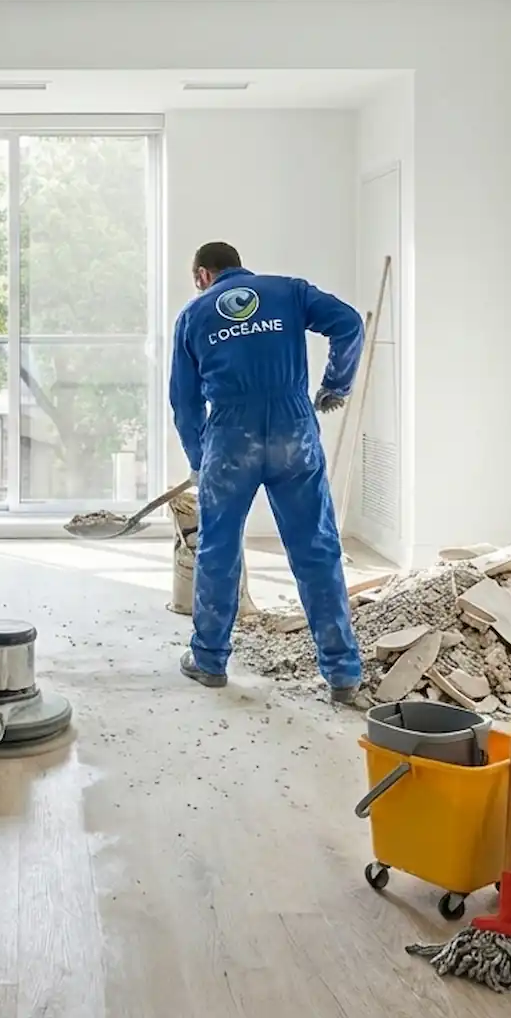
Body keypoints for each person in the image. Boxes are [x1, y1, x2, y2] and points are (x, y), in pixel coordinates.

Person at [168, 241, 366, 703]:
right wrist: (336, 384)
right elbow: (349, 323)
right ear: (240, 266)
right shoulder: (287, 292)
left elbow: (185, 401)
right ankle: (342, 673)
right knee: (316, 547)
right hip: (293, 431)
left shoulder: (194, 317)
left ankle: (210, 659)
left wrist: (200, 459)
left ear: (202, 275)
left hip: (230, 436)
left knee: (218, 547)